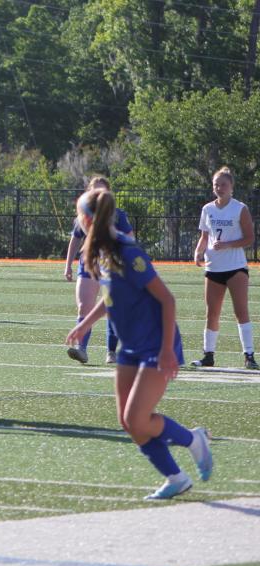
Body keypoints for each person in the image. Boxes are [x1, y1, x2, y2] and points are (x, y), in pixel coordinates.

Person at [66, 188, 213, 500]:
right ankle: (175, 477)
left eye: (79, 215)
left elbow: (167, 300)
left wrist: (166, 350)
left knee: (138, 419)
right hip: (131, 346)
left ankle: (193, 440)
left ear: (88, 219)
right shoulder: (101, 253)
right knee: (129, 423)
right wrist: (85, 323)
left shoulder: (127, 252)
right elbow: (111, 297)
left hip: (156, 345)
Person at [192, 166, 258, 369]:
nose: (219, 188)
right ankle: (208, 355)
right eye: (216, 185)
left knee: (241, 311)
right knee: (212, 313)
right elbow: (205, 236)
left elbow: (249, 238)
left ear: (231, 187)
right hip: (213, 268)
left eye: (223, 185)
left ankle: (249, 355)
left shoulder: (240, 208)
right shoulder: (207, 209)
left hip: (235, 267)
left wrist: (228, 244)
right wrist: (198, 251)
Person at [63, 176, 133, 365]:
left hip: (111, 264)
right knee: (84, 306)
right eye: (94, 192)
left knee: (112, 307)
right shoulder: (82, 216)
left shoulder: (118, 215)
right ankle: (81, 349)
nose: (98, 196)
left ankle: (111, 351)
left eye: (102, 192)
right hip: (89, 262)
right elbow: (76, 239)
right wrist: (68, 264)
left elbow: (130, 239)